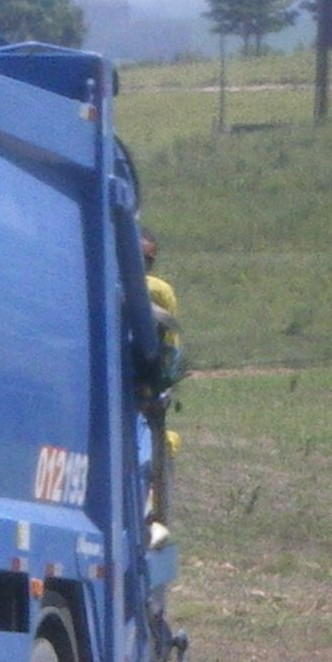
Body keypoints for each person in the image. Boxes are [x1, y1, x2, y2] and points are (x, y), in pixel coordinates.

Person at [136, 232, 182, 547]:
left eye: (147, 260)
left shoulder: (157, 292)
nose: (141, 265)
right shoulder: (158, 291)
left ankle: (150, 517)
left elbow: (170, 346)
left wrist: (160, 384)